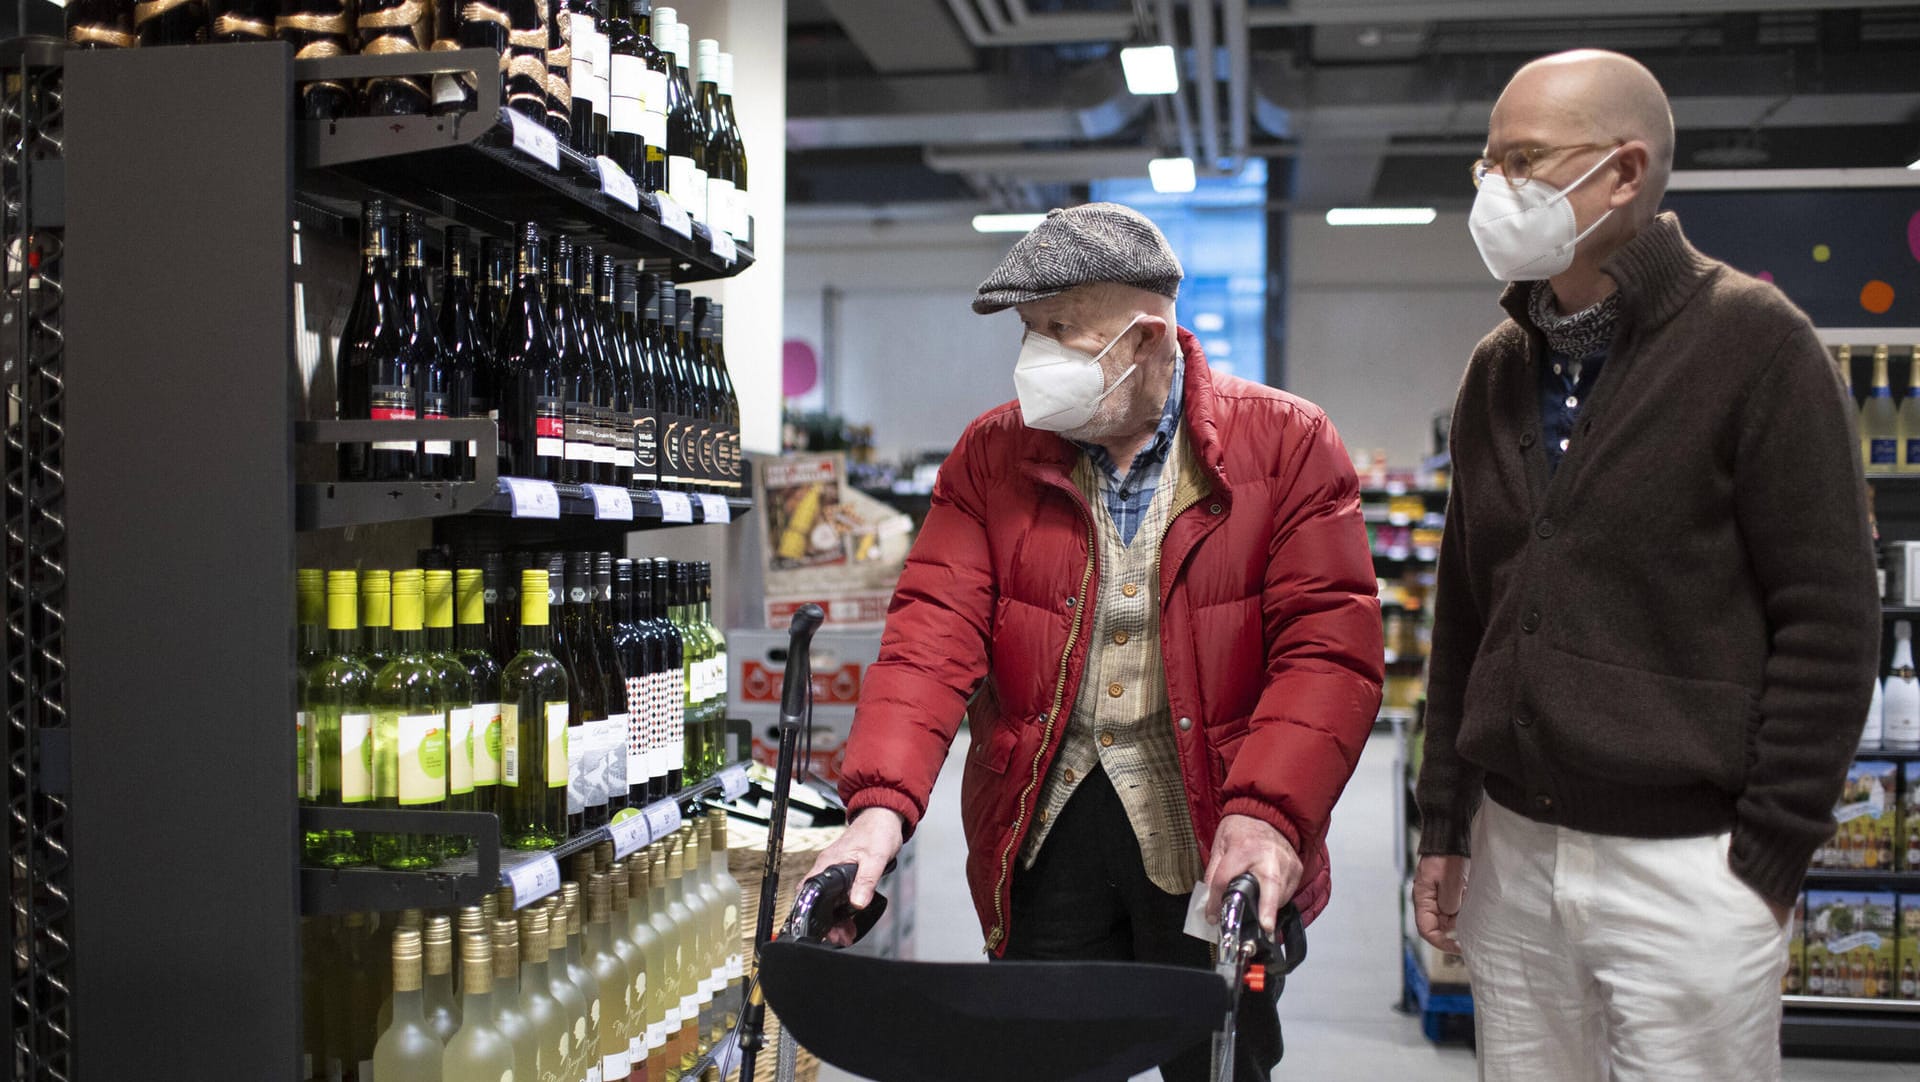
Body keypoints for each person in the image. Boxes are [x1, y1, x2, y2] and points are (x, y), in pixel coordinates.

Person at [806, 202, 1384, 1080]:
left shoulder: (1289, 444)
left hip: (1210, 830)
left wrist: (1269, 817)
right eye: (1029, 332)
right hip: (1043, 828)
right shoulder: (992, 455)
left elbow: (1327, 653)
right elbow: (932, 632)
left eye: (1059, 331)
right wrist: (878, 808)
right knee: (1042, 1057)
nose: (1032, 357)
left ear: (1148, 339)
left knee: (1217, 1058)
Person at [1411, 49, 1879, 1081]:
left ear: (1624, 173)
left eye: (1524, 160)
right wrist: (1444, 818)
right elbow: (1463, 616)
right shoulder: (1499, 368)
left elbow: (1832, 620)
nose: (1497, 189)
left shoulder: (1758, 347)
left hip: (1689, 865)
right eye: (1486, 165)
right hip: (1515, 856)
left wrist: (1764, 857)